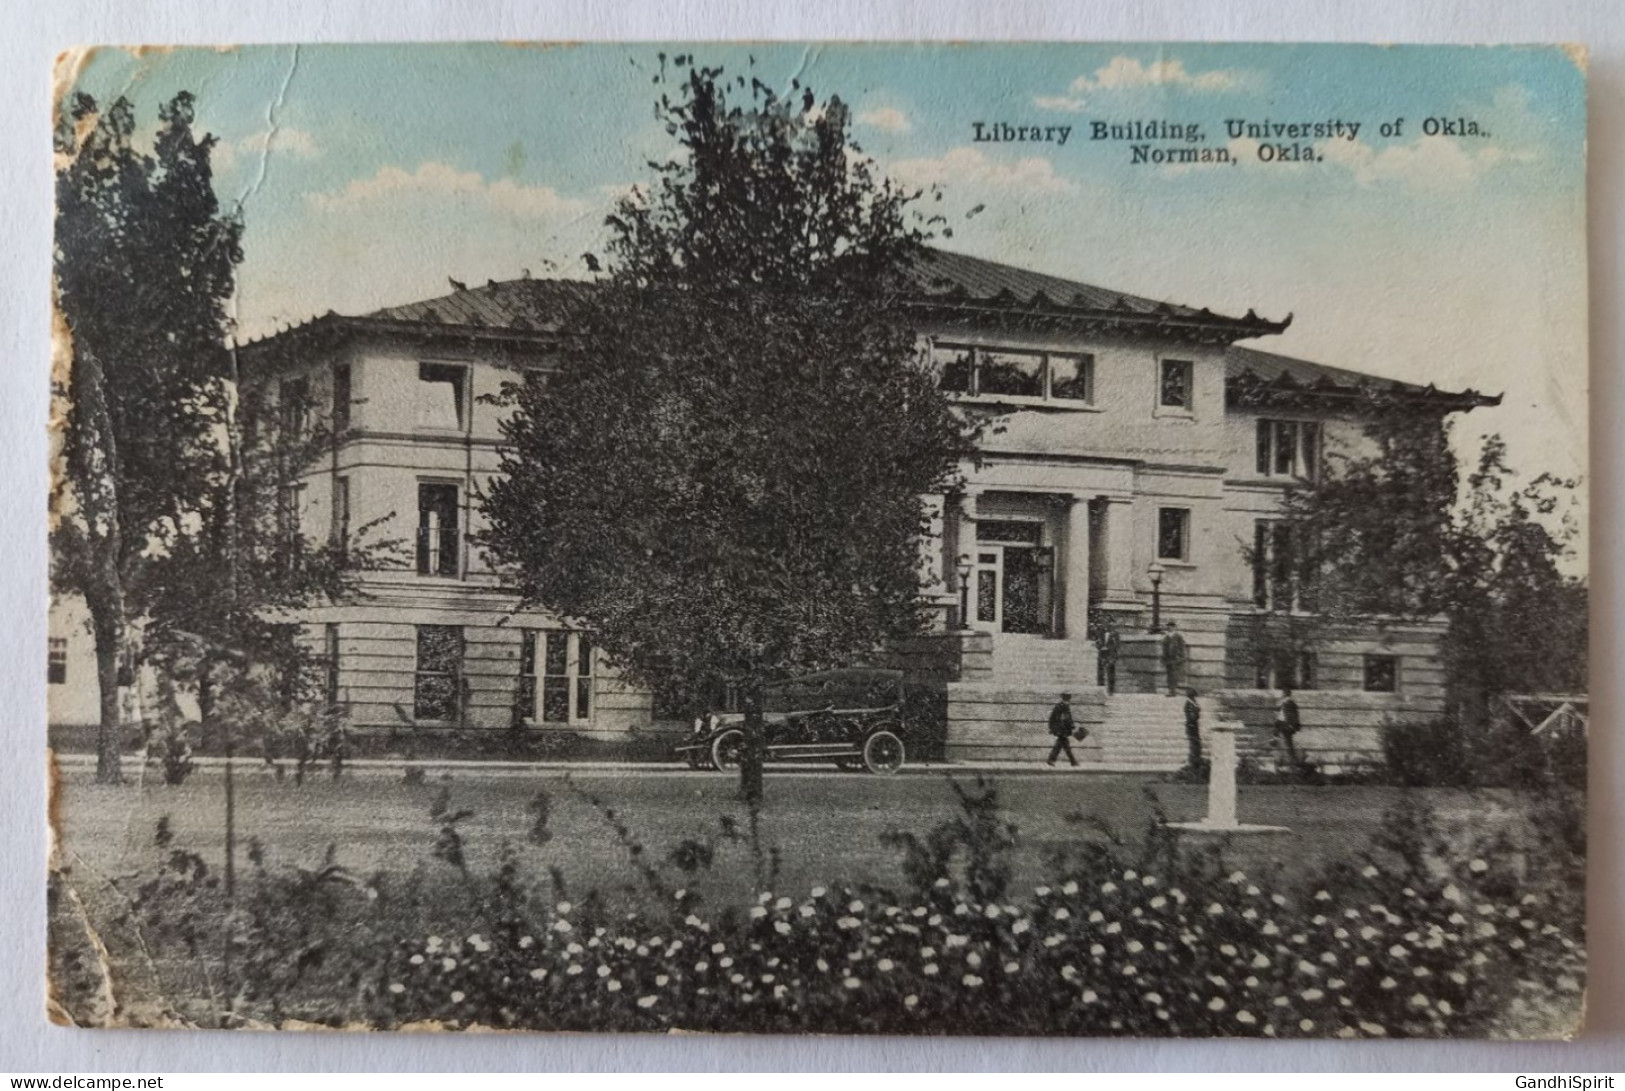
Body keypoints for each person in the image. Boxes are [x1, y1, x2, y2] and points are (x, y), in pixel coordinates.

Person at [1047, 692, 1079, 767]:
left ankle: (1072, 761)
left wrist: (1072, 726)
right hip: (1062, 730)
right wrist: (1071, 727)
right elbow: (1063, 719)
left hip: (1062, 730)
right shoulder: (1062, 706)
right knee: (1063, 746)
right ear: (1068, 698)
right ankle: (1072, 761)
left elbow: (1052, 718)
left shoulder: (1063, 705)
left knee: (1063, 745)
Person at [1274, 685, 1302, 766]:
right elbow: (1278, 710)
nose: (1282, 695)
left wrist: (1292, 725)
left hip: (1287, 725)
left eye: (1283, 693)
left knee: (1288, 744)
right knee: (1286, 743)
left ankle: (1292, 761)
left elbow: (1294, 715)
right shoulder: (1284, 702)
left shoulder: (1290, 703)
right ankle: (1286, 760)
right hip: (1282, 724)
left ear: (1285, 694)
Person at [1160, 621, 1188, 696]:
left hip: (1175, 659)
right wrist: (1163, 658)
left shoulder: (1178, 636)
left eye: (1172, 626)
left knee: (1174, 674)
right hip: (1168, 659)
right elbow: (1164, 648)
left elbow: (1182, 647)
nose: (1170, 628)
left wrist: (1180, 656)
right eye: (1169, 626)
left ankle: (1173, 690)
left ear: (1174, 627)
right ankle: (1170, 690)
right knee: (1169, 674)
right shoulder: (1166, 637)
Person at [1097, 619, 1120, 695]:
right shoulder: (1101, 633)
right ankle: (1100, 689)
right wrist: (1100, 647)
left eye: (1111, 624)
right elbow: (1098, 642)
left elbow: (1117, 645)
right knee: (1100, 673)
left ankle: (1111, 690)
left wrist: (1108, 649)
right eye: (1108, 623)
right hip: (1102, 655)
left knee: (1111, 674)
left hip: (1111, 655)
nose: (1110, 625)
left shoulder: (1116, 634)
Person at [1183, 688, 1202, 768]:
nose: (1195, 698)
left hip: (1193, 726)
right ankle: (1193, 762)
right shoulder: (1189, 704)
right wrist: (1197, 710)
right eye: (1193, 696)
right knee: (1194, 743)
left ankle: (1195, 760)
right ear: (1191, 696)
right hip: (1191, 726)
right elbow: (1192, 717)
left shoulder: (1192, 703)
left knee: (1196, 744)